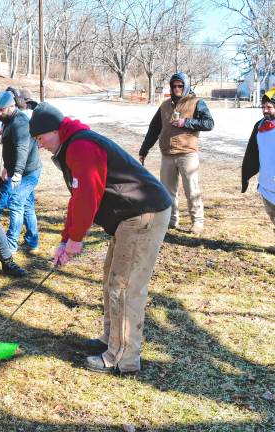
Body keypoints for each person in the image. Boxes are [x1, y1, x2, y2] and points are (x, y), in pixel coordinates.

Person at [30, 102, 172, 374]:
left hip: (144, 214)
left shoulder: (81, 146)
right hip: (129, 217)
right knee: (111, 278)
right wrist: (65, 239)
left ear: (55, 130)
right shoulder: (71, 146)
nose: (41, 145)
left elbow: (88, 196)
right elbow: (77, 197)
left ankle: (122, 357)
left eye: (40, 138)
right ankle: (111, 340)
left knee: (125, 286)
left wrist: (77, 240)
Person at [139, 72, 214, 234]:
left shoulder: (196, 102)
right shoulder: (165, 105)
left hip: (187, 153)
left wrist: (186, 122)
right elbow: (154, 129)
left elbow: (209, 123)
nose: (177, 88)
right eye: (174, 86)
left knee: (191, 189)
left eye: (180, 85)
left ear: (186, 86)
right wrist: (144, 149)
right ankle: (172, 220)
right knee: (167, 191)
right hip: (167, 154)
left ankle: (197, 221)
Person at [0, 91, 41, 255]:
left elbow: (22, 149)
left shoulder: (20, 122)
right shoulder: (9, 119)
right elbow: (10, 148)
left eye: (2, 110)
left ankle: (10, 244)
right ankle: (32, 242)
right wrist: (7, 167)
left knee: (15, 203)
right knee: (27, 206)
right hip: (19, 169)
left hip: (28, 171)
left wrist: (17, 173)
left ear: (12, 106)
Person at [241, 87, 275, 254]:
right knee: (272, 214)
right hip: (267, 180)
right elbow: (252, 152)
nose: (265, 110)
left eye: (269, 107)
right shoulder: (260, 126)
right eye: (263, 107)